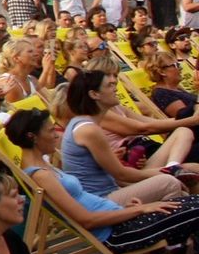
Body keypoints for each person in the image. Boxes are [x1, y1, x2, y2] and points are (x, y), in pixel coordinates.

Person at [7, 108, 199, 253]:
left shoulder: (45, 167)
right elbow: (86, 220)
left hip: (120, 218)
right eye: (50, 131)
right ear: (32, 137)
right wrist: (139, 210)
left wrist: (128, 209)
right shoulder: (41, 175)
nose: (56, 135)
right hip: (117, 233)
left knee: (191, 204)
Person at [61, 69, 195, 200]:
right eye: (110, 85)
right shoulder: (88, 129)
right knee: (170, 182)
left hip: (117, 184)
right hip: (101, 197)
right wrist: (171, 172)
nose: (116, 88)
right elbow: (122, 175)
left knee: (189, 171)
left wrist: (173, 171)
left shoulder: (86, 123)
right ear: (94, 94)